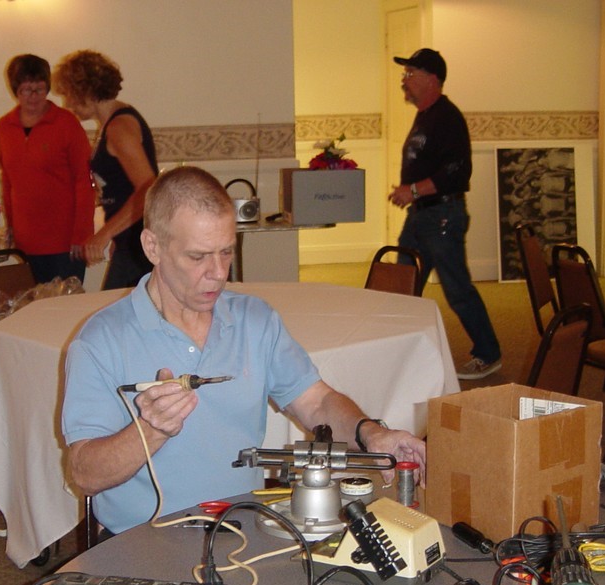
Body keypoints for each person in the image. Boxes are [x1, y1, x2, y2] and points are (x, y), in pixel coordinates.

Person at [62, 166, 426, 535]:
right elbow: (84, 475)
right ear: (152, 247)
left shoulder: (254, 320)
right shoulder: (101, 340)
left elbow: (317, 403)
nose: (218, 273)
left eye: (226, 252)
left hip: (242, 533)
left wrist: (370, 433)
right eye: (198, 257)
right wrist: (150, 430)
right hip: (142, 543)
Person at [388, 49, 502, 380]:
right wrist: (411, 194)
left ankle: (489, 353)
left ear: (432, 79)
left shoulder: (447, 118)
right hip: (420, 216)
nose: (404, 81)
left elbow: (457, 171)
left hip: (441, 217)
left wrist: (412, 190)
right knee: (402, 286)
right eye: (404, 74)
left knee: (457, 289)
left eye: (410, 74)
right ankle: (398, 352)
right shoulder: (425, 116)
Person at [53, 50, 158, 290]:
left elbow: (149, 189)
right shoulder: (112, 124)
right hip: (130, 242)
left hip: (138, 245)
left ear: (87, 92)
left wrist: (104, 235)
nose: (68, 104)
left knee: (117, 310)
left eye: (69, 95)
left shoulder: (119, 127)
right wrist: (116, 237)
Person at [0, 54, 95, 285]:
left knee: (65, 302)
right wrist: (11, 226)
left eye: (39, 89)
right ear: (15, 90)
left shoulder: (66, 123)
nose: (33, 96)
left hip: (65, 242)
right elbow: (8, 181)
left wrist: (82, 235)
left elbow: (84, 180)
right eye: (26, 90)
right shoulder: (4, 127)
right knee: (35, 303)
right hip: (26, 241)